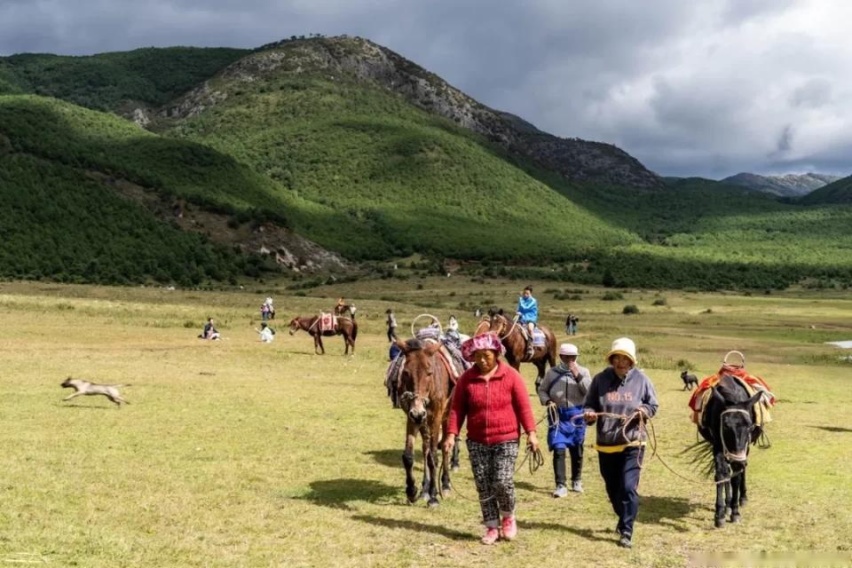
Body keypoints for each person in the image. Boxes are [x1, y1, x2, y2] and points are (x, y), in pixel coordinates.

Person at [444, 333, 540, 545]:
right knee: (484, 484)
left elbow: (524, 407)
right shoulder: (466, 379)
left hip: (506, 438)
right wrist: (452, 435)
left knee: (502, 480)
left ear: (496, 354)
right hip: (477, 440)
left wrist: (531, 433)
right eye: (477, 356)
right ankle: (490, 526)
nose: (482, 360)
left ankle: (507, 516)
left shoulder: (511, 376)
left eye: (486, 355)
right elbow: (457, 410)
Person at [583, 337, 658, 549]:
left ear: (631, 361)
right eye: (617, 358)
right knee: (612, 488)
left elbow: (652, 404)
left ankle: (626, 530)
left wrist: (643, 411)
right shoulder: (599, 380)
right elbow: (589, 404)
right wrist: (589, 414)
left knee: (627, 487)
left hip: (633, 441)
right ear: (612, 359)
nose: (621, 363)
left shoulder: (642, 380)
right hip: (606, 443)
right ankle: (623, 515)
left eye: (625, 359)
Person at [537, 343, 592, 497]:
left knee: (577, 449)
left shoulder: (584, 372)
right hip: (558, 416)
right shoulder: (552, 373)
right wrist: (547, 401)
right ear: (561, 357)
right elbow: (542, 390)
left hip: (577, 415)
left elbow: (589, 391)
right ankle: (560, 485)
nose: (570, 360)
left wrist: (577, 375)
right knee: (558, 448)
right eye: (567, 357)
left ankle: (577, 480)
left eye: (573, 358)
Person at [515, 286, 538, 358]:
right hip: (521, 318)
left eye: (527, 293)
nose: (525, 294)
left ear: (530, 294)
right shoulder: (521, 299)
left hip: (530, 318)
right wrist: (518, 312)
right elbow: (519, 308)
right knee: (513, 328)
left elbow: (526, 308)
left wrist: (520, 300)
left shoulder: (533, 301)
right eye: (524, 293)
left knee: (530, 329)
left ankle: (531, 346)